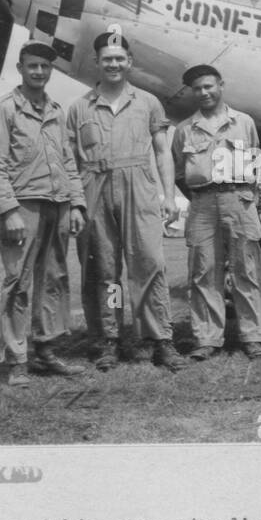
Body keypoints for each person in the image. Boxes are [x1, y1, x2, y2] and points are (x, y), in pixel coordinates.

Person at [65, 30, 183, 372]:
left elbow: (162, 152)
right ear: (97, 64)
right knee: (103, 269)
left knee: (148, 263)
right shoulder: (78, 108)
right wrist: (76, 203)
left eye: (119, 58)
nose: (113, 64)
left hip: (138, 186)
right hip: (94, 187)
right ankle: (109, 341)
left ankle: (161, 340)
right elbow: (71, 160)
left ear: (129, 62)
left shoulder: (147, 102)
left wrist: (169, 196)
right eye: (107, 59)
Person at [0, 38, 88, 387]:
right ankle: (17, 360)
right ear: (21, 69)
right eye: (33, 66)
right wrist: (8, 210)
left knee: (54, 279)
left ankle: (47, 350)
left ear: (51, 70)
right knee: (18, 283)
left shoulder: (57, 110)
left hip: (58, 204)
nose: (39, 72)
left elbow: (69, 163)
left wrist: (76, 204)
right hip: (23, 205)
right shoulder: (3, 109)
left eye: (45, 66)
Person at [171, 65, 261, 362]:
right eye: (197, 89)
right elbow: (179, 173)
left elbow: (257, 164)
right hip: (202, 204)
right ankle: (207, 338)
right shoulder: (184, 130)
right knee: (204, 271)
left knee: (248, 268)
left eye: (208, 86)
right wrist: (202, 195)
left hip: (239, 199)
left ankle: (253, 336)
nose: (203, 93)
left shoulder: (244, 123)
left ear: (221, 85)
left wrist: (256, 198)